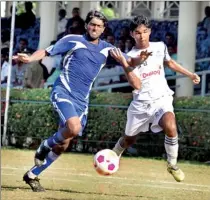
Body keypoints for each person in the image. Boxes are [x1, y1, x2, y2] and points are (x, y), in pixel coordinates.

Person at [14, 10, 151, 192]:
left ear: (103, 29)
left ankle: (32, 175)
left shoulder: (107, 49)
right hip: (63, 92)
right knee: (74, 127)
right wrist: (30, 57)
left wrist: (139, 58)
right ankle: (44, 146)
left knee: (63, 143)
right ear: (87, 25)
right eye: (92, 24)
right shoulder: (73, 40)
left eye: (99, 26)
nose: (95, 28)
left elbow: (130, 61)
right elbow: (47, 51)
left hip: (82, 102)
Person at [112, 15, 200, 182]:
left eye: (145, 31)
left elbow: (170, 63)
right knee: (129, 139)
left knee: (170, 125)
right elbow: (136, 82)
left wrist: (190, 74)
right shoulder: (129, 56)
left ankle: (172, 164)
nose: (142, 36)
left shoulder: (160, 46)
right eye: (138, 32)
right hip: (141, 105)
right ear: (132, 34)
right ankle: (115, 153)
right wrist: (135, 61)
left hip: (161, 99)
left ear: (150, 31)